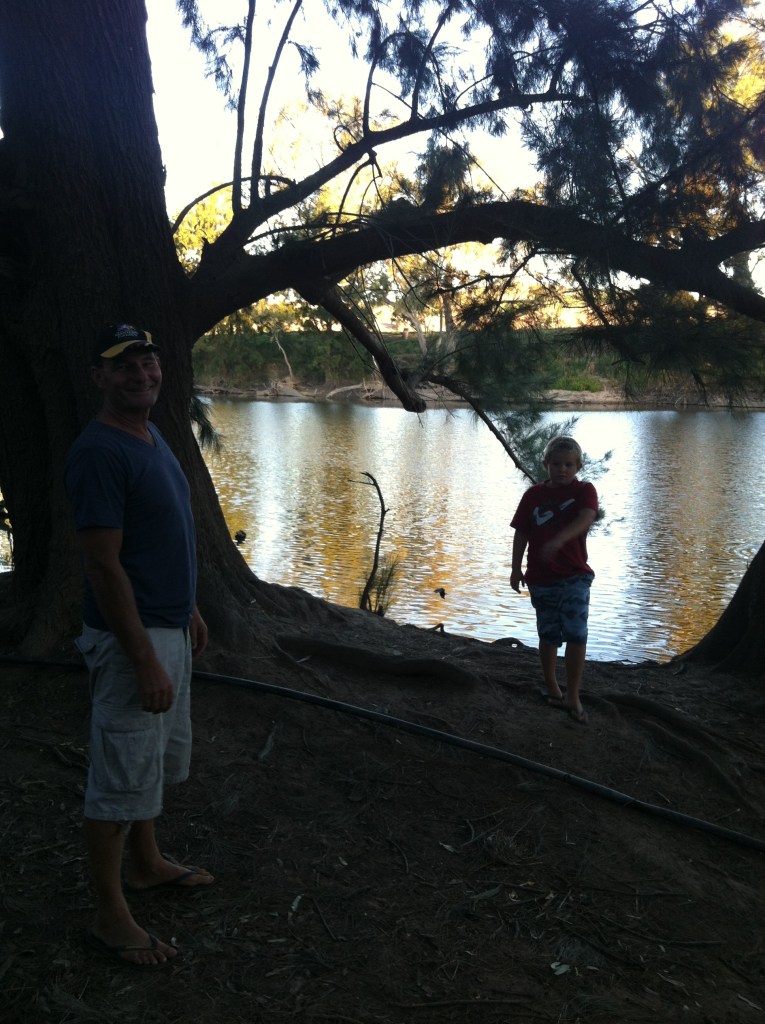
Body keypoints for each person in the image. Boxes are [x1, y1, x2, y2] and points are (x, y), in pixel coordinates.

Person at [65, 323, 213, 967]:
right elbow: (103, 566)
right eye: (123, 365)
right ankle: (109, 916)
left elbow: (161, 536)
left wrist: (189, 608)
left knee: (150, 759)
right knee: (119, 773)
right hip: (134, 641)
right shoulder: (100, 452)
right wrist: (143, 657)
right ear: (100, 377)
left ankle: (147, 863)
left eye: (147, 361)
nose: (140, 373)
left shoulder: (150, 435)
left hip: (167, 624)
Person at [510, 435, 598, 725]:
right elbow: (521, 532)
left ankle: (573, 694)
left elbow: (587, 517)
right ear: (546, 464)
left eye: (569, 465)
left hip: (574, 576)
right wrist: (515, 568)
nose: (562, 469)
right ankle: (552, 687)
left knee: (576, 633)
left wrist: (560, 539)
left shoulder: (584, 490)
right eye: (557, 464)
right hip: (540, 578)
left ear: (578, 467)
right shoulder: (533, 495)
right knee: (548, 633)